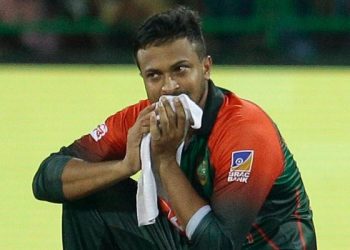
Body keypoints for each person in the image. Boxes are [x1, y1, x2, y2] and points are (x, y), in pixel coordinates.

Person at [32, 6, 317, 250]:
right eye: (155, 75)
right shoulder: (139, 120)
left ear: (206, 67)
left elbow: (221, 245)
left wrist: (165, 161)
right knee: (85, 195)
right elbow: (45, 178)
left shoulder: (244, 130)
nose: (169, 87)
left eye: (180, 69)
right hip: (190, 240)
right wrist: (124, 165)